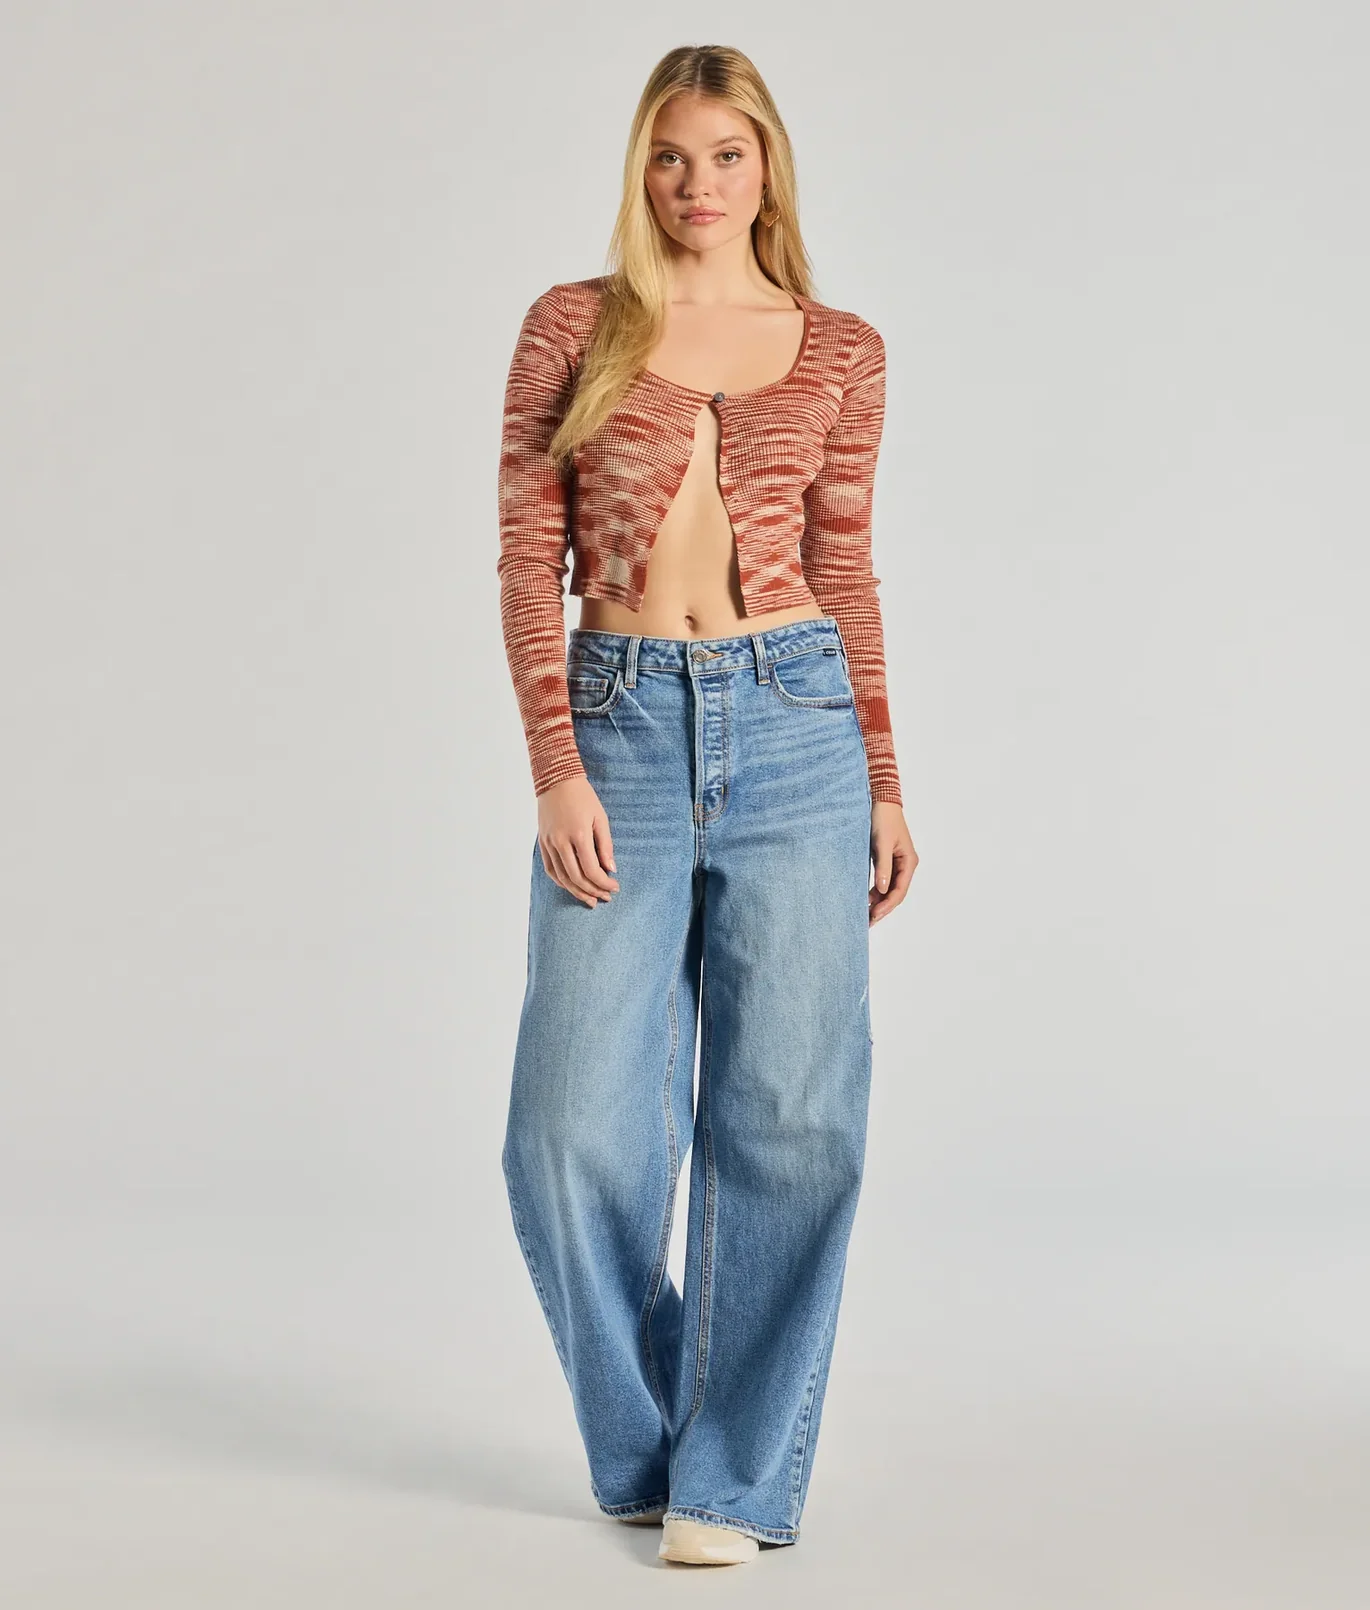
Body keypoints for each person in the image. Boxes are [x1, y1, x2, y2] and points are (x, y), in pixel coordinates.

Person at [495, 43, 918, 1566]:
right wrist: (555, 763)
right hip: (617, 722)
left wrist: (884, 778)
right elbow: (524, 554)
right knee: (566, 1128)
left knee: (790, 1119)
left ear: (767, 167)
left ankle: (728, 1482)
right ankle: (653, 1443)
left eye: (726, 155)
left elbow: (845, 565)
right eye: (670, 156)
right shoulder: (574, 326)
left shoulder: (840, 348)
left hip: (797, 725)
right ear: (641, 167)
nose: (696, 184)